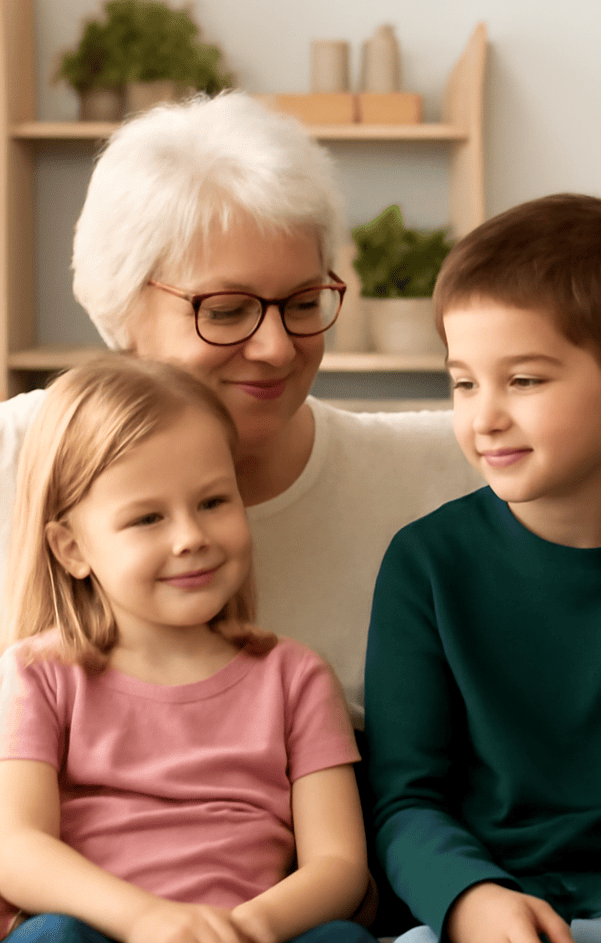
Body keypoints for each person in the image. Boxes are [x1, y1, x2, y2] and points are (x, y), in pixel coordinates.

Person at [0, 91, 481, 731]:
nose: (278, 348)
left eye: (305, 302)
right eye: (226, 311)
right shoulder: (16, 456)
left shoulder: (451, 471)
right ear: (120, 309)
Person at [363, 194, 601, 943]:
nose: (483, 415)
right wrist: (470, 899)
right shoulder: (425, 565)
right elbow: (404, 799)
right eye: (464, 382)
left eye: (522, 381)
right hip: (477, 913)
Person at [0, 355, 377, 943]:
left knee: (342, 940)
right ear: (71, 549)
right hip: (103, 933)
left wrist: (240, 929)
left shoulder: (295, 675)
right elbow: (16, 848)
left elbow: (340, 865)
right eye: (148, 518)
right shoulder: (38, 674)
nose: (190, 538)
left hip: (255, 935)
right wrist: (147, 919)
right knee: (51, 936)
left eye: (212, 503)